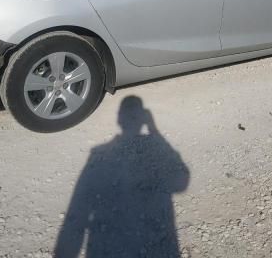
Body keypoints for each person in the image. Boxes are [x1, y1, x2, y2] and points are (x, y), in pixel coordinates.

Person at [54, 95, 190, 258]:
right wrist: (154, 130)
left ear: (119, 119)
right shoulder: (100, 154)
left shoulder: (98, 155)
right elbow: (181, 181)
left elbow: (76, 210)